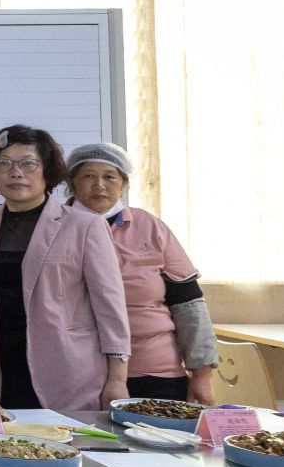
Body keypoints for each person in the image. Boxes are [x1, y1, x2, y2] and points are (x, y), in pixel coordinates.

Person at [0, 125, 131, 411]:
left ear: (48, 171)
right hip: (1, 368)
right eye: (4, 164)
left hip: (68, 370)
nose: (16, 173)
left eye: (28, 164)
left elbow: (110, 306)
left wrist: (117, 379)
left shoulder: (84, 226)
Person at [65, 143, 219, 403]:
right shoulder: (54, 228)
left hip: (155, 369)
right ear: (72, 183)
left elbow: (188, 302)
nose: (99, 185)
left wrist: (202, 373)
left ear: (124, 184)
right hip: (77, 370)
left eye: (110, 177)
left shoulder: (149, 226)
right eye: (89, 176)